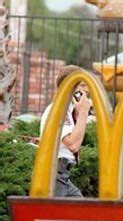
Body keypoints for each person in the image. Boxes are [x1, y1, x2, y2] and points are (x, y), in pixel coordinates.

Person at [40, 65, 92, 197]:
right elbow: (73, 145)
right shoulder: (59, 110)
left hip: (62, 176)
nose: (87, 90)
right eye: (82, 85)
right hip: (54, 175)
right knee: (54, 215)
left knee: (81, 212)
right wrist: (84, 113)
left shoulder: (68, 110)